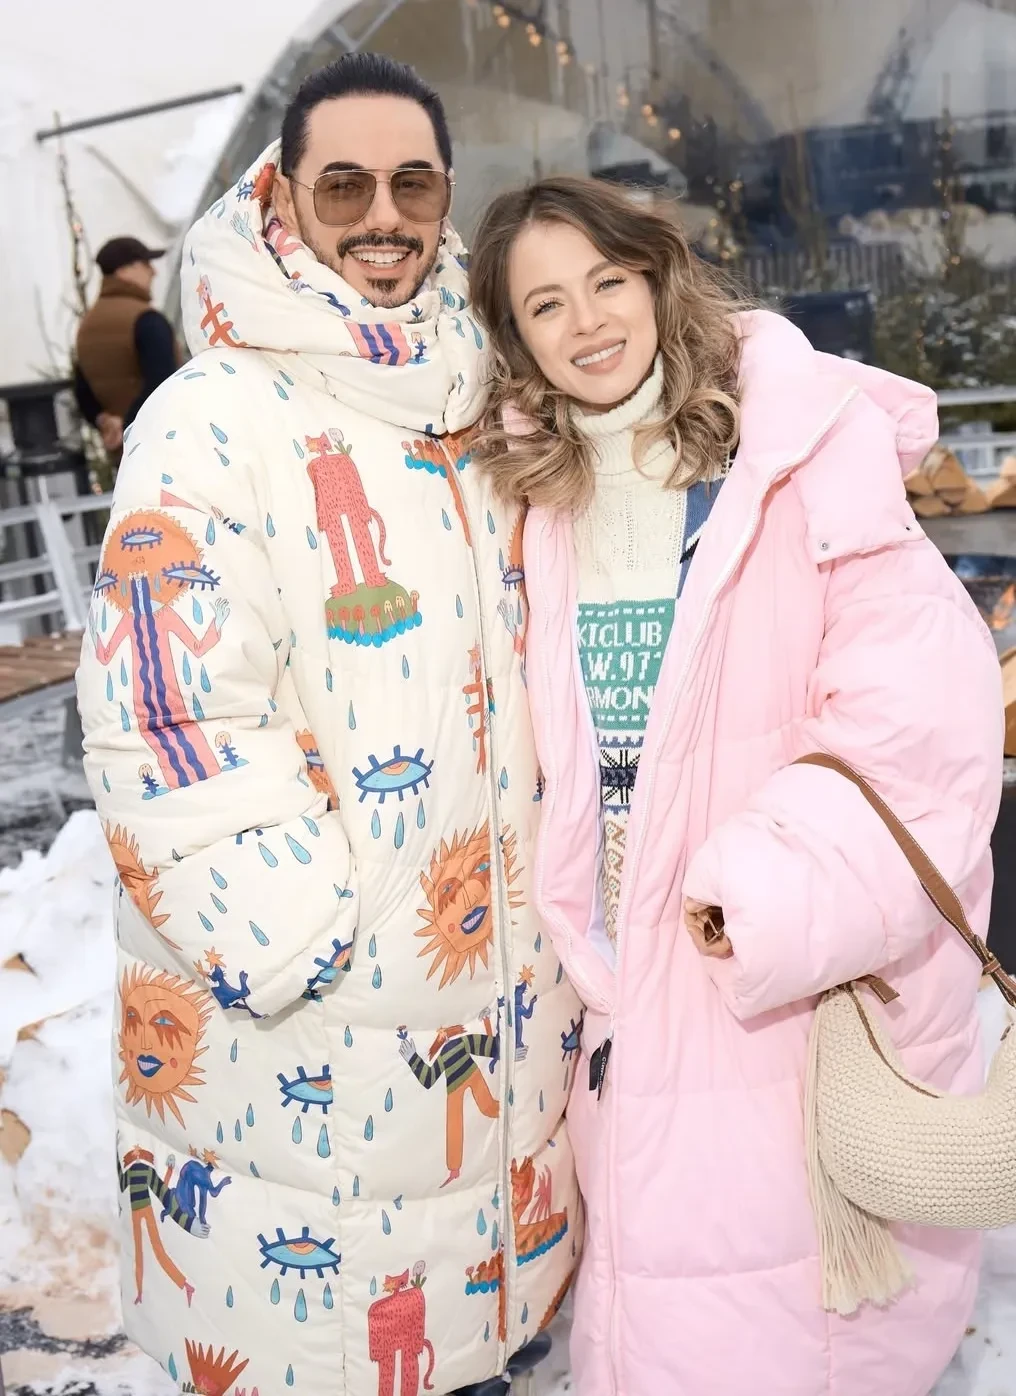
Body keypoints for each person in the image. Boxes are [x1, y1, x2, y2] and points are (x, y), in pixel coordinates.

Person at [75, 55, 580, 1396]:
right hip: (318, 1016)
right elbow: (162, 707)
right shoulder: (213, 415)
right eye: (343, 185)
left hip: (494, 998)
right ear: (283, 198)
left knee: (468, 1338)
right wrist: (304, 934)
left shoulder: (487, 392)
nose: (382, 216)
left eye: (413, 183)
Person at [468, 175, 1003, 1396]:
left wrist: (760, 892)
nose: (585, 321)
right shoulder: (536, 500)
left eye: (606, 280)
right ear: (516, 338)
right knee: (668, 1299)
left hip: (764, 963)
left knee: (769, 1317)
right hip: (616, 974)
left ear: (656, 277)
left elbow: (921, 710)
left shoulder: (791, 458)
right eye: (545, 304)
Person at [74, 236, 180, 457]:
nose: (153, 272)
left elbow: (82, 391)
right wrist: (126, 425)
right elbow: (163, 384)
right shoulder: (146, 319)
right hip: (164, 445)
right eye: (146, 264)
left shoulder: (86, 326)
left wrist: (105, 422)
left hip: (125, 456)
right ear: (124, 270)